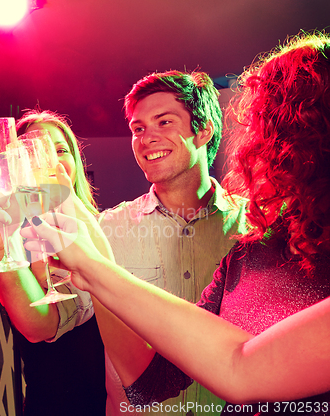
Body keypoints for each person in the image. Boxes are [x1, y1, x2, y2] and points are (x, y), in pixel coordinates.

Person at [22, 31, 330, 415]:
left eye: (272, 123)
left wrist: (95, 266)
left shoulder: (251, 223)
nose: (253, 140)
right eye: (137, 128)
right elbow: (150, 384)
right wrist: (89, 259)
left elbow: (238, 367)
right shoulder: (250, 252)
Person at [87, 70, 247, 415]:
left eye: (164, 122)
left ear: (203, 131)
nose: (146, 138)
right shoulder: (106, 229)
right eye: (138, 128)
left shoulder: (255, 227)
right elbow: (44, 323)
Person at [0, 109, 107, 416]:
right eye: (32, 152)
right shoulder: (12, 236)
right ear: (14, 166)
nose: (49, 160)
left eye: (60, 150)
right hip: (48, 404)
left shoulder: (106, 227)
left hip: (114, 402)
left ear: (75, 161)